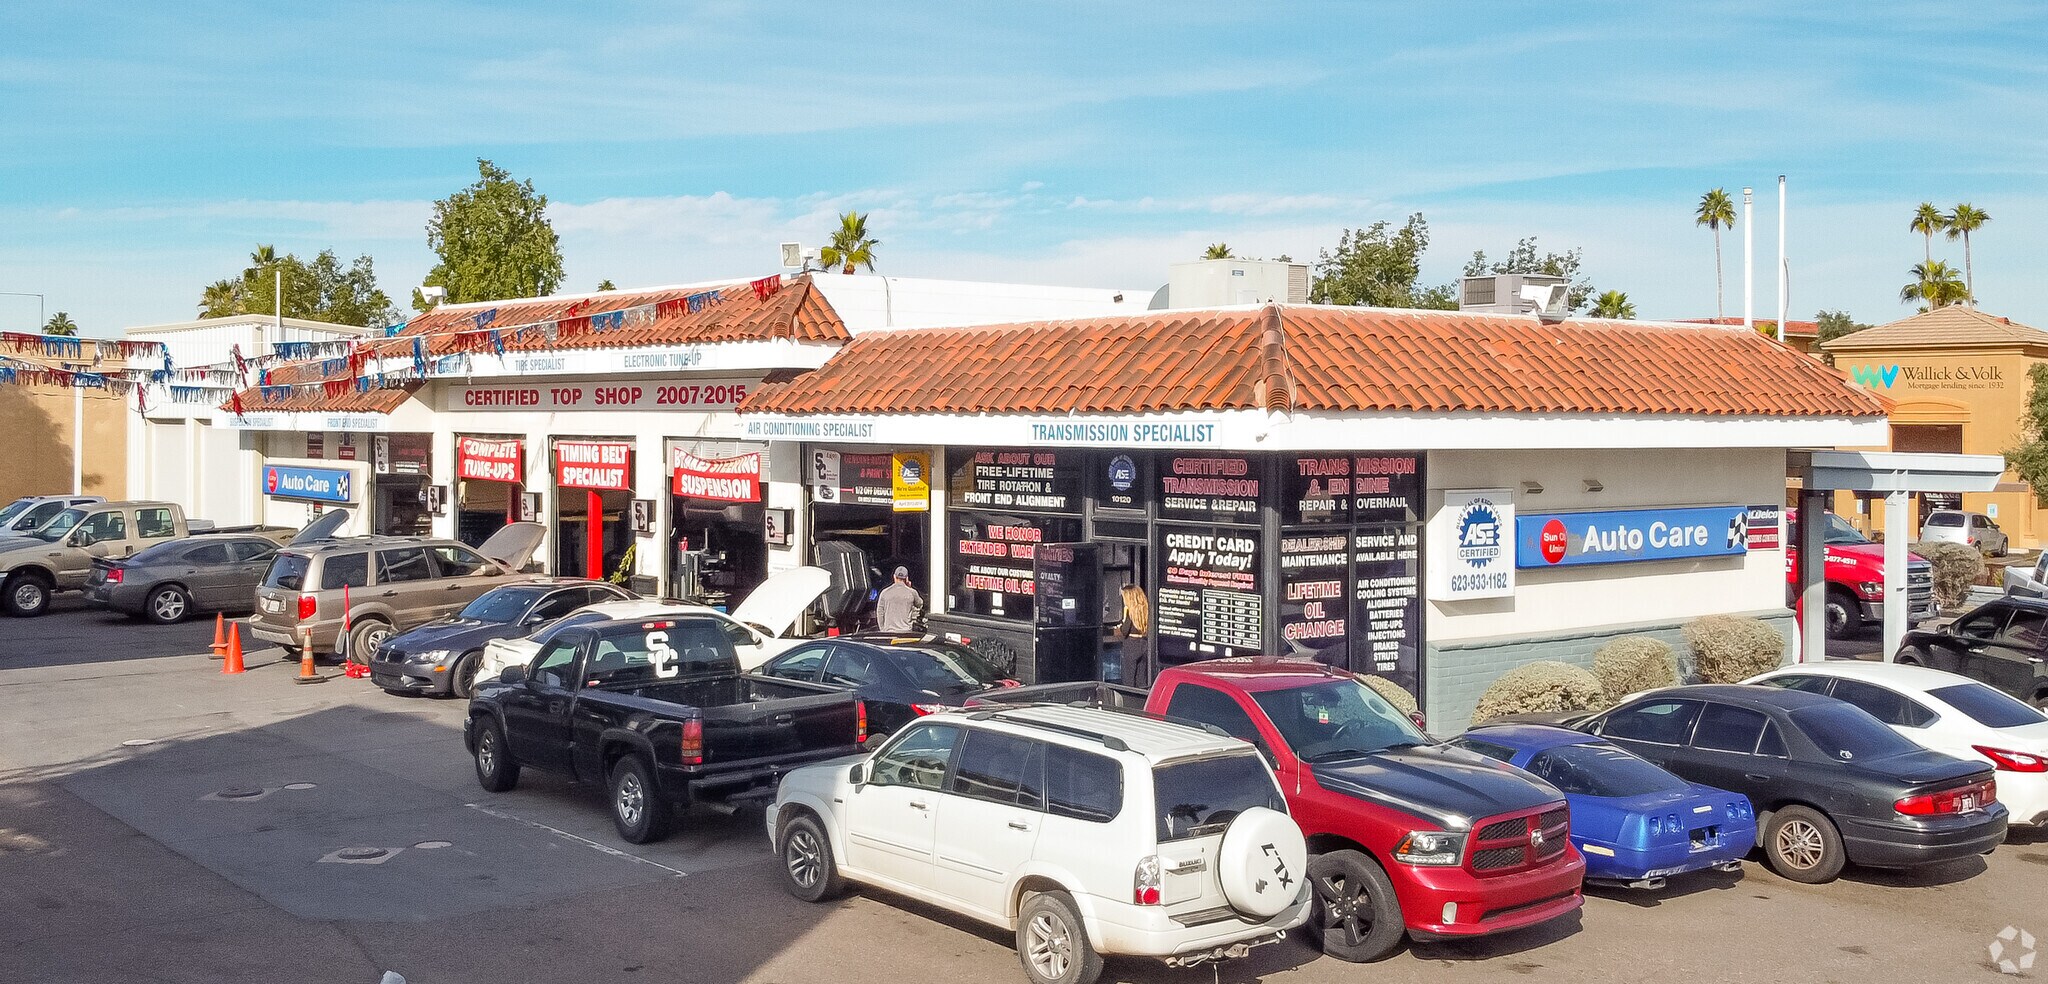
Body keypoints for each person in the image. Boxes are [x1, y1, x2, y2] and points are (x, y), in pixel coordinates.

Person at [1107, 584, 1150, 685]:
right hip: (1144, 643)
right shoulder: (1146, 608)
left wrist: (1115, 629)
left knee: (1129, 678)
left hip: (1131, 644)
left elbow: (1125, 630)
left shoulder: (1129, 610)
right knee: (1141, 678)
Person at [875, 566, 924, 634]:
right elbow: (920, 604)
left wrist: (883, 629)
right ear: (906, 578)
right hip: (906, 632)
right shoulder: (912, 592)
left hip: (889, 632)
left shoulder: (884, 592)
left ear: (894, 577)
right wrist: (910, 587)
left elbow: (880, 612)